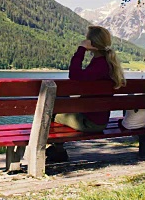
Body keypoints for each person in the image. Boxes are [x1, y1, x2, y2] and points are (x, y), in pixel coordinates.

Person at [46, 25, 126, 162]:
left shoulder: (99, 65)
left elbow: (74, 74)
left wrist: (81, 49)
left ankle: (57, 151)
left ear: (92, 43)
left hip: (91, 123)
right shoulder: (108, 64)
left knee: (54, 112)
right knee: (62, 102)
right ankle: (57, 150)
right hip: (101, 120)